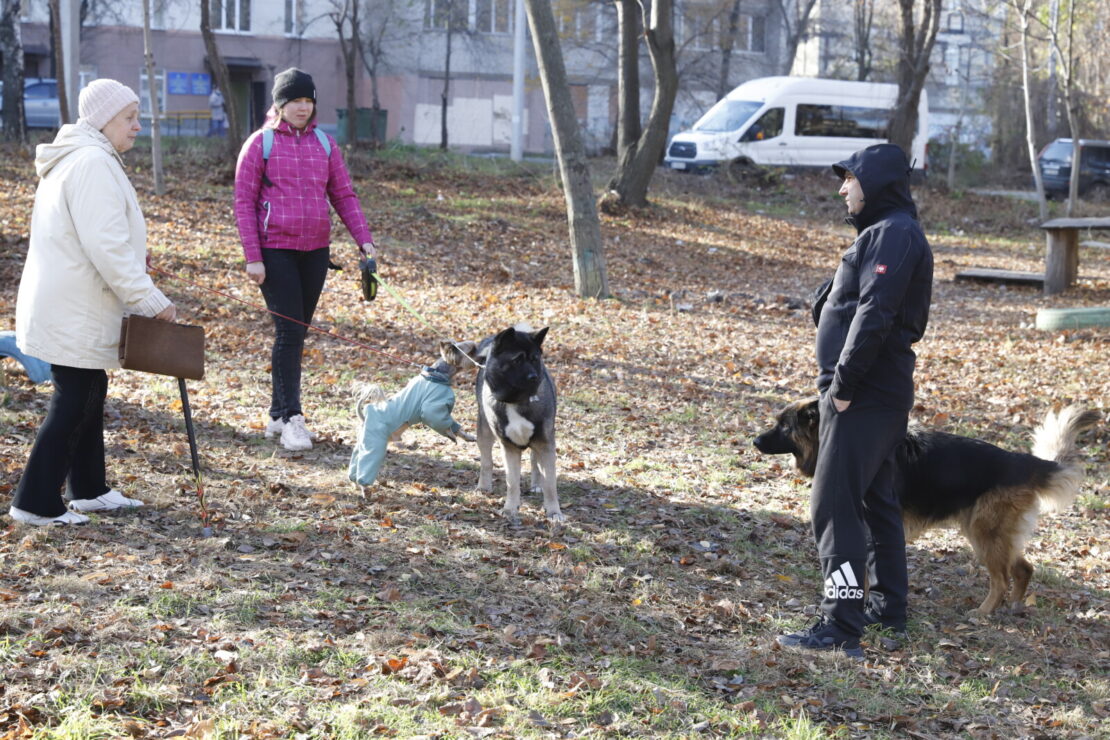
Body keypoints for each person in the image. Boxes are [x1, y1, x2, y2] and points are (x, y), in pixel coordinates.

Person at [777, 143, 933, 658]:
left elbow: (876, 313)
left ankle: (840, 627)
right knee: (878, 500)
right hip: (875, 394)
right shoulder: (887, 234)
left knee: (834, 505)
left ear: (877, 182)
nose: (842, 188)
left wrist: (841, 386)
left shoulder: (895, 234)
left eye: (850, 178)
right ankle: (888, 607)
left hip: (862, 395)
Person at [9, 78, 176, 527]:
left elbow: (98, 238)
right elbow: (107, 248)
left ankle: (87, 489)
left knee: (89, 389)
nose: (137, 126)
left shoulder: (86, 158)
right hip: (73, 305)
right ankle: (35, 502)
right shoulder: (91, 163)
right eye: (129, 117)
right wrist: (149, 299)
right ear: (103, 120)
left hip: (72, 300)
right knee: (75, 397)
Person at [234, 67, 377, 452]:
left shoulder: (325, 145)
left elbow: (344, 196)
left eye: (308, 101)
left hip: (315, 252)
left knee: (295, 334)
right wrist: (253, 257)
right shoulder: (259, 144)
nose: (302, 107)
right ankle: (294, 419)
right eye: (295, 100)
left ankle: (277, 415)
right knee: (290, 332)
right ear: (280, 104)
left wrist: (363, 240)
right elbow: (243, 203)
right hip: (274, 251)